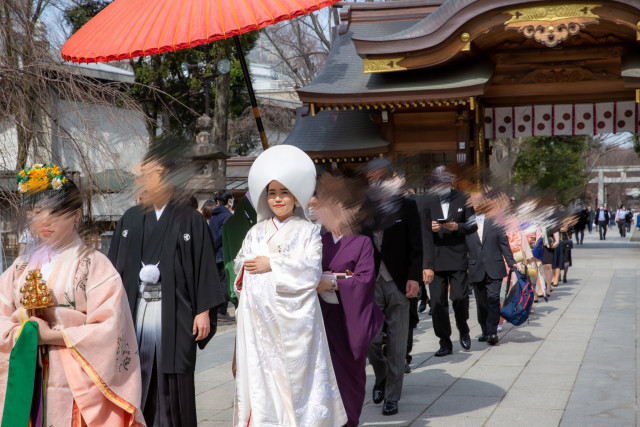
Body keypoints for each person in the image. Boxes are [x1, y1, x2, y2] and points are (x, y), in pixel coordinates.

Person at [0, 164, 144, 425]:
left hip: (75, 379)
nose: (44, 220)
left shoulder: (94, 264)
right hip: (25, 373)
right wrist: (24, 332)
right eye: (37, 212)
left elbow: (110, 328)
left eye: (56, 212)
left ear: (76, 216)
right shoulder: (20, 267)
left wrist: (54, 335)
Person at [108, 138, 225, 427]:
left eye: (147, 172)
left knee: (175, 384)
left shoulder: (190, 219)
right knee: (137, 376)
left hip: (177, 312)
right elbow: (115, 271)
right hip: (137, 310)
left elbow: (204, 267)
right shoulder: (130, 219)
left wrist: (203, 311)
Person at [233, 145, 347, 427]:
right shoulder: (255, 232)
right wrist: (248, 269)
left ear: (296, 196)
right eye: (272, 193)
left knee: (295, 380)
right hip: (260, 321)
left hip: (296, 323)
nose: (278, 199)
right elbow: (240, 266)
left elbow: (310, 271)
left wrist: (271, 264)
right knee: (263, 379)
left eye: (284, 192)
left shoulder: (309, 231)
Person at [315, 200, 384, 425]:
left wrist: (333, 283)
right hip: (324, 317)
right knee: (325, 373)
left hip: (351, 318)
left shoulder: (362, 242)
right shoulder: (318, 241)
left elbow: (364, 280)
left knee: (351, 374)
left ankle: (350, 419)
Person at [365, 159, 424, 417]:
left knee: (398, 344)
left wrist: (414, 277)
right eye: (371, 179)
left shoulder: (408, 206)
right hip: (369, 282)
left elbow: (416, 245)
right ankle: (381, 377)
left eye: (381, 178)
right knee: (372, 340)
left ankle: (392, 396)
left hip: (399, 282)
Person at [419, 166, 476, 357]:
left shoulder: (463, 197)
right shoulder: (426, 200)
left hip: (457, 255)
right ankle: (444, 340)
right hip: (435, 257)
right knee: (437, 302)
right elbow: (424, 235)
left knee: (459, 297)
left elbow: (472, 225)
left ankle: (463, 328)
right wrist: (427, 264)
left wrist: (456, 226)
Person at [466, 192, 517, 345]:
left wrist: (511, 261)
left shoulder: (495, 222)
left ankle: (492, 331)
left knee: (493, 299)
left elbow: (503, 243)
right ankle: (484, 330)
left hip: (494, 266)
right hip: (476, 268)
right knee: (481, 302)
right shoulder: (466, 225)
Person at [209, 189, 234, 321]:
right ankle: (221, 310)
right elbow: (222, 235)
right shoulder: (228, 216)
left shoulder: (214, 215)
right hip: (224, 252)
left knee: (218, 281)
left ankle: (216, 309)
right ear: (228, 200)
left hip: (214, 253)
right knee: (225, 282)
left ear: (217, 202)